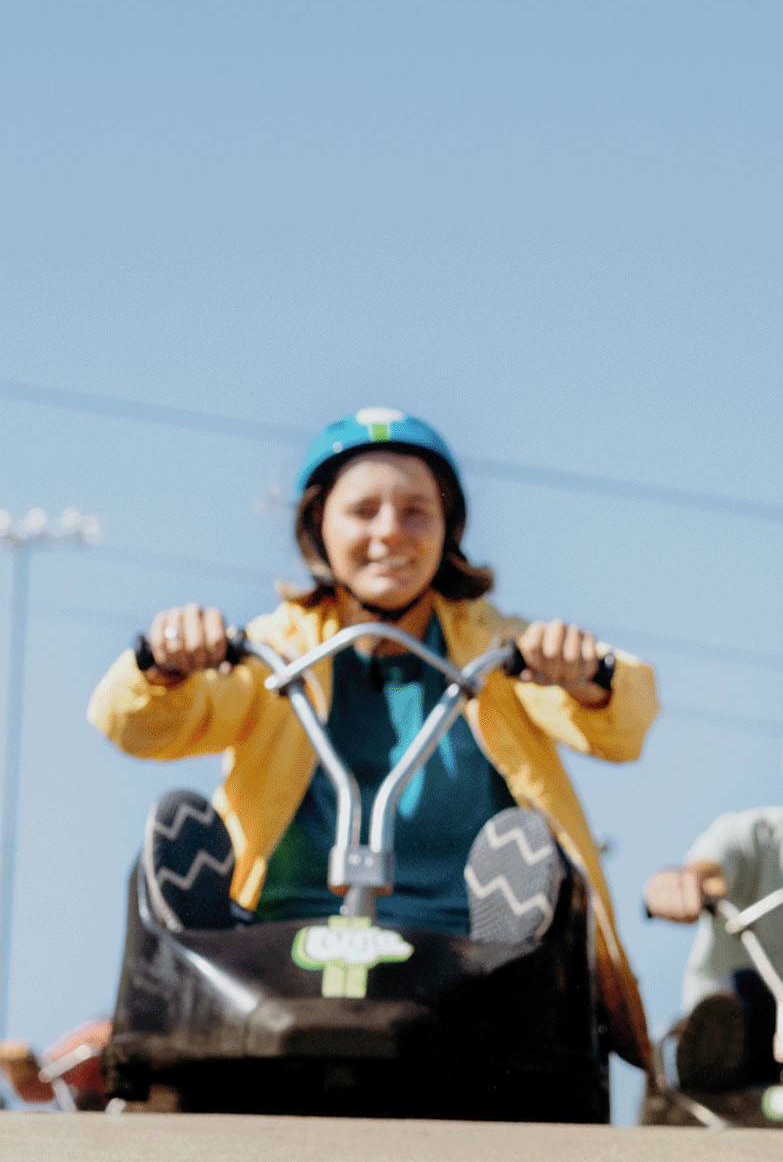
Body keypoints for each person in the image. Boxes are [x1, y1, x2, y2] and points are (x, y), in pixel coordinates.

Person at [87, 407, 660, 1067]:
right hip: (273, 958)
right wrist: (164, 665)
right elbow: (129, 724)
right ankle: (196, 944)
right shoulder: (273, 652)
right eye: (363, 512)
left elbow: (627, 725)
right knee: (180, 822)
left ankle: (511, 945)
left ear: (449, 530)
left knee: (529, 855)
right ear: (318, 529)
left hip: (462, 959)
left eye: (416, 511)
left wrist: (587, 674)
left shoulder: (496, 653)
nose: (391, 532)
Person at [641, 802, 783, 1091]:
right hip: (734, 1044)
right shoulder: (758, 834)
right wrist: (681, 884)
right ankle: (709, 1052)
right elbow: (709, 870)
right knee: (747, 990)